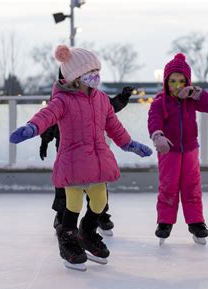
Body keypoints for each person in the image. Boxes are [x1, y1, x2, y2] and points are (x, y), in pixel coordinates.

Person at [10, 45, 152, 271]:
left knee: (100, 202)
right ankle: (68, 240)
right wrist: (31, 128)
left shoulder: (102, 99)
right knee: (73, 204)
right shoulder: (63, 101)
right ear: (75, 78)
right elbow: (47, 115)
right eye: (90, 73)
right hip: (73, 160)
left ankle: (86, 233)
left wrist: (130, 144)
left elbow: (113, 126)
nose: (95, 77)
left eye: (97, 72)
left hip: (98, 160)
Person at [40, 68, 136, 236]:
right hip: (67, 148)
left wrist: (122, 98)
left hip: (91, 149)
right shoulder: (61, 98)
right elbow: (49, 119)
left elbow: (109, 109)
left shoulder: (93, 95)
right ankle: (62, 216)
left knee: (98, 181)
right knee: (67, 186)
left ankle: (100, 215)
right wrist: (45, 140)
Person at [147, 53, 208, 245]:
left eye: (181, 80)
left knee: (191, 186)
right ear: (166, 82)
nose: (177, 84)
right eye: (172, 80)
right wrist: (158, 136)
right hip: (169, 151)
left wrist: (196, 92)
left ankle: (196, 222)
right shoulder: (160, 102)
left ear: (187, 81)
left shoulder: (191, 100)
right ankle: (165, 221)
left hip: (190, 150)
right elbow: (154, 120)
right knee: (168, 186)